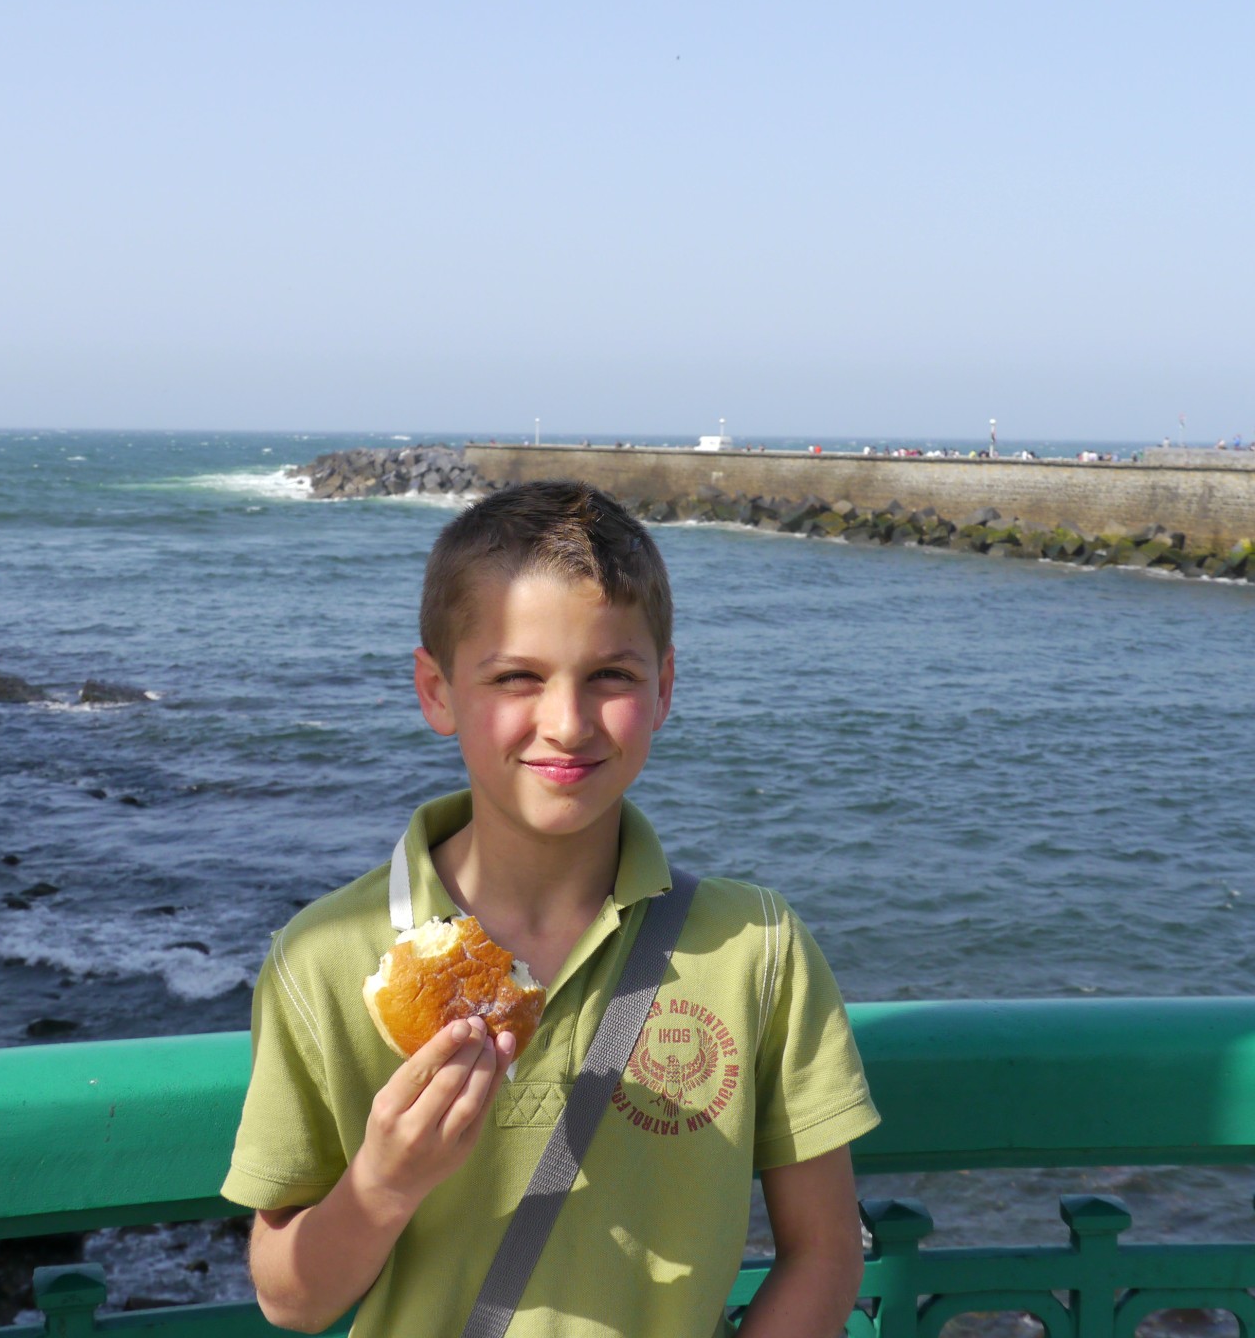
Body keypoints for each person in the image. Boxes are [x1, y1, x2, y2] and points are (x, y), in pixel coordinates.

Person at [226, 481, 878, 1337]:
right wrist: (382, 1185)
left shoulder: (756, 948)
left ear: (664, 687)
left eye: (610, 675)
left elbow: (824, 1250)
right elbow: (289, 1297)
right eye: (516, 678)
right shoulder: (322, 960)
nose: (566, 724)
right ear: (436, 691)